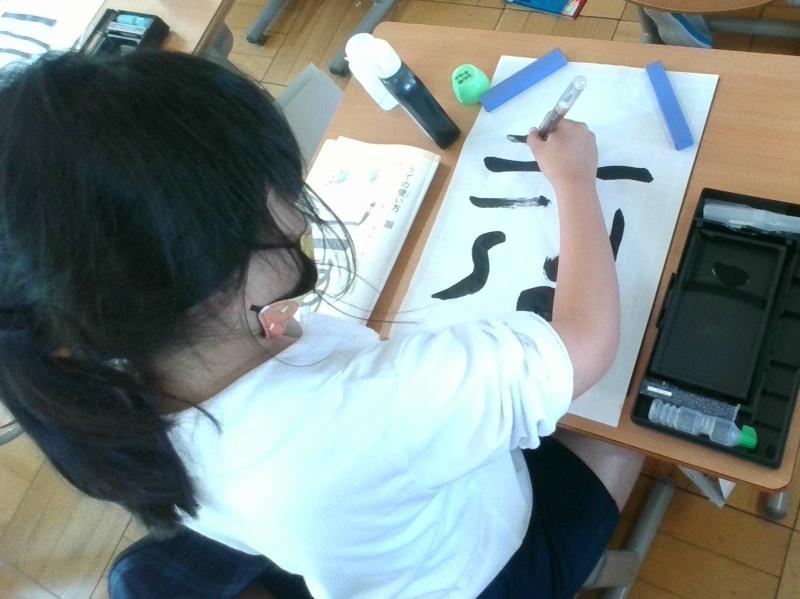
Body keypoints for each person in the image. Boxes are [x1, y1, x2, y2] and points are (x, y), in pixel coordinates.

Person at [0, 51, 621, 598]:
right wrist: (574, 181)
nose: (296, 213)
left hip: (388, 551)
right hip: (493, 568)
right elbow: (586, 345)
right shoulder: (369, 409)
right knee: (630, 410)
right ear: (200, 272)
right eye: (266, 188)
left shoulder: (107, 403)